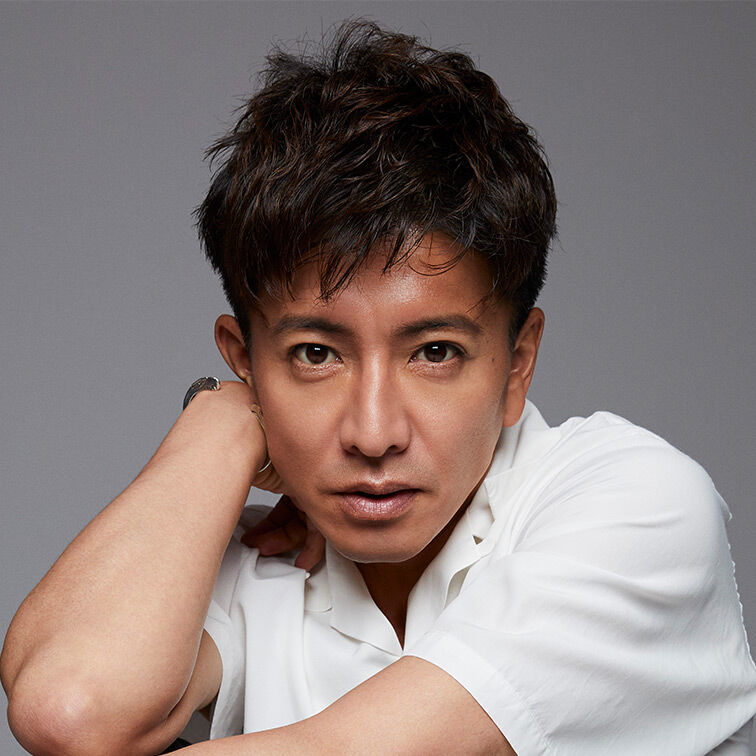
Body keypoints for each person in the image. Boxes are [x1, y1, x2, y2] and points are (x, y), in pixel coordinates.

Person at [2, 18, 756, 756]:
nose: (372, 433)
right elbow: (69, 714)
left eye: (434, 352)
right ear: (246, 361)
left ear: (517, 364)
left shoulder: (640, 507)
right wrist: (219, 423)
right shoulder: (245, 569)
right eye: (314, 355)